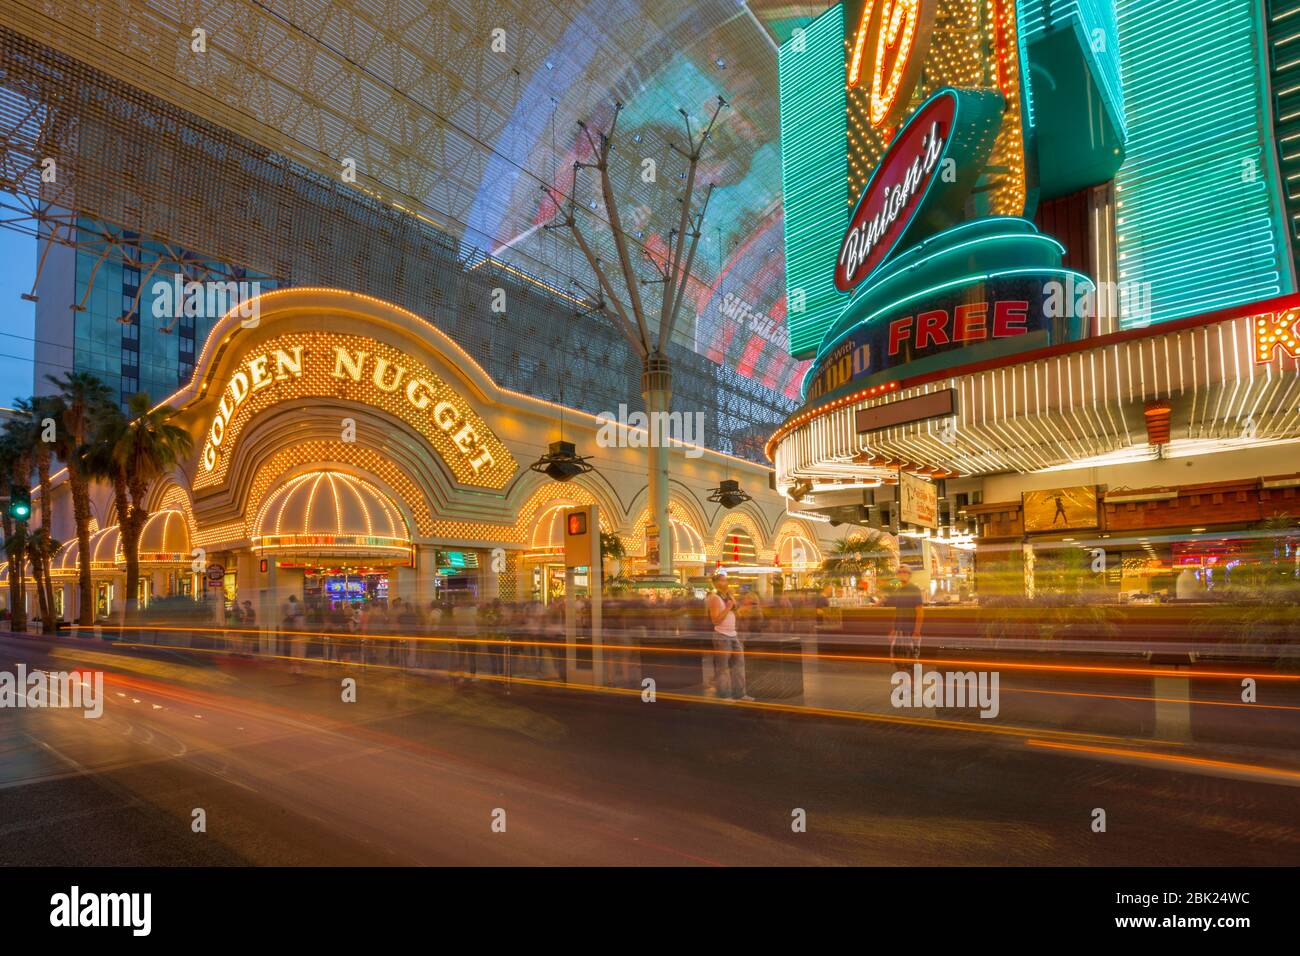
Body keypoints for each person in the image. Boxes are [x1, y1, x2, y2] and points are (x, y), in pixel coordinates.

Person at [705, 570, 752, 701]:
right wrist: (728, 607)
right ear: (716, 583)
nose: (725, 583)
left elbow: (736, 613)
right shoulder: (714, 598)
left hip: (733, 634)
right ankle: (724, 695)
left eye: (726, 580)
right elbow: (715, 620)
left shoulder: (728, 596)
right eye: (722, 580)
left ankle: (740, 693)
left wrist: (738, 606)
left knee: (739, 665)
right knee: (723, 668)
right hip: (722, 635)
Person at [878, 565, 924, 668]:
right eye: (899, 572)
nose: (902, 574)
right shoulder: (898, 590)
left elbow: (920, 611)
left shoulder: (914, 589)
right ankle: (902, 676)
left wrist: (917, 631)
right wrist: (893, 629)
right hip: (899, 631)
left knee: (912, 661)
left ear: (909, 574)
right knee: (898, 661)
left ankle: (912, 676)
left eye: (905, 572)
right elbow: (898, 611)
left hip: (910, 630)